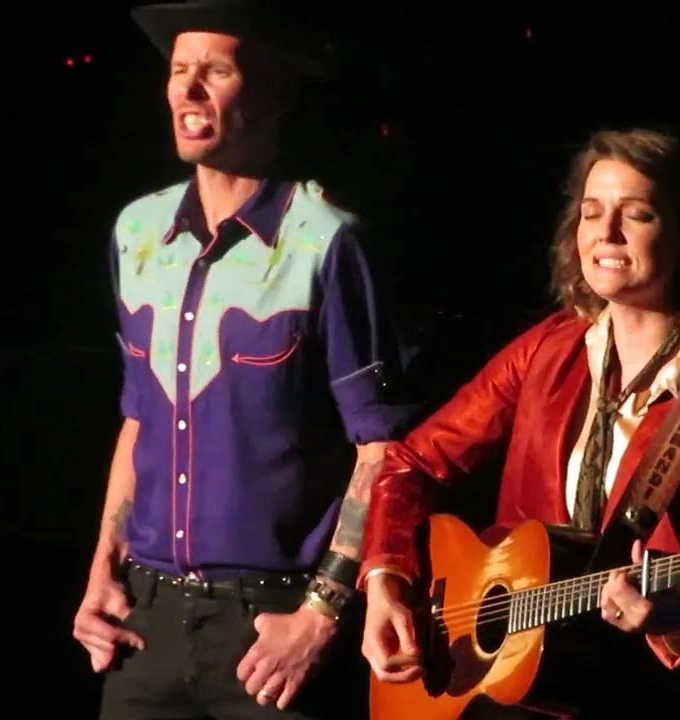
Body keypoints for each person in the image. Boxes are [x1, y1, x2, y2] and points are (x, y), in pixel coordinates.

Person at [356, 128, 680, 718]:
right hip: (516, 691)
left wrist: (674, 614)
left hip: (643, 696)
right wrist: (386, 584)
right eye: (591, 213)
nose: (605, 234)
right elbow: (411, 462)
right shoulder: (546, 349)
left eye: (635, 215)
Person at [70, 2, 420, 718]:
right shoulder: (137, 233)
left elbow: (381, 448)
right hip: (148, 621)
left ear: (270, 93)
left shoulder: (324, 241)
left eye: (216, 71)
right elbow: (139, 419)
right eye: (178, 71)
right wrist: (101, 571)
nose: (188, 89)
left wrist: (321, 615)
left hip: (267, 633)